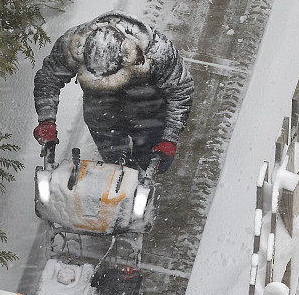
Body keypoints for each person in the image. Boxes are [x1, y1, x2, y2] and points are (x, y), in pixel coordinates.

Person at [33, 11, 194, 175]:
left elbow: (180, 91)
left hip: (148, 111)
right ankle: (123, 181)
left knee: (153, 163)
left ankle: (145, 174)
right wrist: (47, 120)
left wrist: (170, 138)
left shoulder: (157, 52)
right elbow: (48, 78)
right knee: (116, 168)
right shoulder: (72, 44)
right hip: (100, 112)